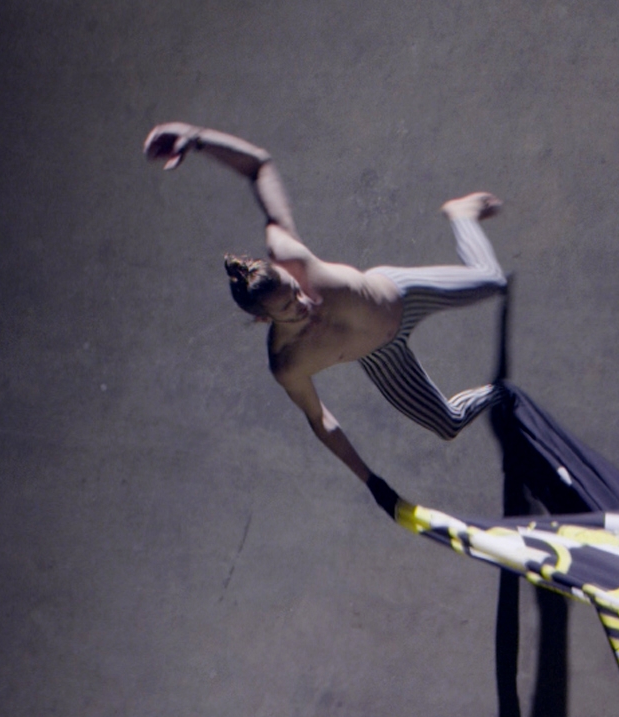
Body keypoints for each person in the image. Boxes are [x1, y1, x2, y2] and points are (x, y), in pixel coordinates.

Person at [142, 122, 506, 482]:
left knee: (493, 280)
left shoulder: (288, 252)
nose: (305, 301)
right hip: (384, 357)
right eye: (288, 307)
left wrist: (198, 138)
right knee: (449, 424)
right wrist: (371, 481)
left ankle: (462, 214)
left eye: (295, 289)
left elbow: (259, 166)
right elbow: (320, 421)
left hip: (401, 293)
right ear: (265, 319)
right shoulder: (288, 363)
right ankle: (503, 392)